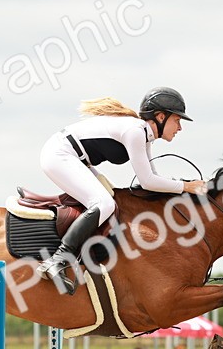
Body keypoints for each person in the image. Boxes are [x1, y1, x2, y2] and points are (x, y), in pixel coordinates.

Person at [35, 87, 208, 294]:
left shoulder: (144, 135)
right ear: (161, 117)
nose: (180, 127)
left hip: (77, 159)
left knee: (109, 199)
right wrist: (187, 186)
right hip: (59, 155)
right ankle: (58, 258)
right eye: (177, 120)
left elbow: (151, 180)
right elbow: (148, 182)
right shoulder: (135, 131)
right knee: (104, 204)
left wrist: (183, 188)